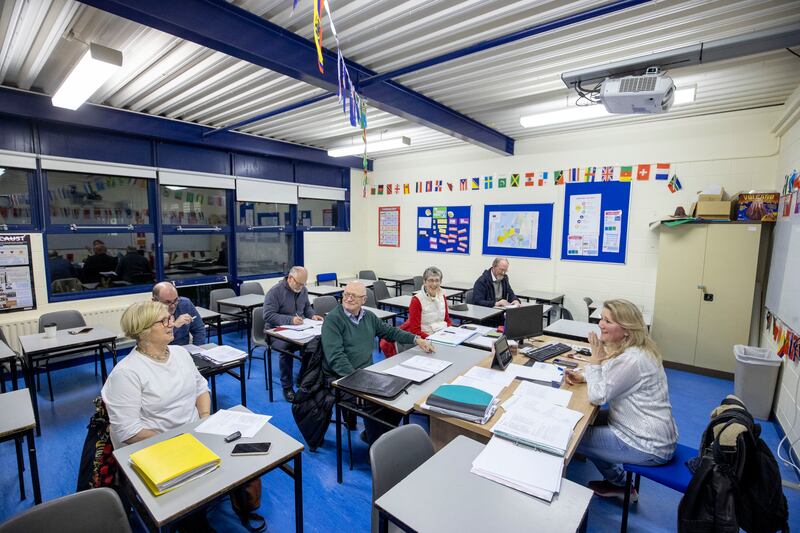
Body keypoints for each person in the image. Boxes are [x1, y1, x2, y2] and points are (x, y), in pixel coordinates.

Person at [101, 301, 265, 532]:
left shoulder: (180, 353)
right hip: (154, 445)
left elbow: (201, 388)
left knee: (243, 457)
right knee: (191, 507)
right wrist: (180, 440)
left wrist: (205, 418)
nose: (172, 323)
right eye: (164, 320)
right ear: (144, 330)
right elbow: (128, 431)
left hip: (192, 434)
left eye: (170, 318)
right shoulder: (127, 373)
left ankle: (234, 501)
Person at [565, 299, 678, 499]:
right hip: (643, 428)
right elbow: (612, 375)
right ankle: (617, 482)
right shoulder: (635, 349)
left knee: (573, 436)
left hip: (646, 443)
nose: (600, 324)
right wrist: (585, 376)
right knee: (581, 419)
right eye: (601, 318)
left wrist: (595, 361)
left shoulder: (633, 359)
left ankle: (621, 485)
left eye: (607, 321)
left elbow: (598, 396)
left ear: (626, 329)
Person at [322, 281, 434, 445]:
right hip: (341, 378)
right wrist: (357, 383)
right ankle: (376, 447)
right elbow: (336, 358)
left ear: (364, 300)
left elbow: (390, 331)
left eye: (354, 296)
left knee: (400, 396)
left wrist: (416, 339)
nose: (349, 299)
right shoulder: (333, 320)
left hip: (366, 373)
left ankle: (375, 436)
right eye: (346, 294)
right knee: (377, 402)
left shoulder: (368, 317)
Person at [262, 266, 323, 402]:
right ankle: (287, 387)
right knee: (286, 348)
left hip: (299, 330)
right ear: (290, 278)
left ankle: (303, 378)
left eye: (304, 284)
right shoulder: (275, 292)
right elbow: (268, 315)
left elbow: (307, 307)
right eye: (299, 283)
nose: (301, 287)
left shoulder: (303, 290)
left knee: (314, 344)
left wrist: (312, 316)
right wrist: (290, 320)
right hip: (275, 332)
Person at [380, 266, 452, 357]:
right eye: (430, 280)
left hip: (442, 337)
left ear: (440, 282)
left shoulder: (442, 297)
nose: (434, 284)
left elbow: (447, 320)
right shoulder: (416, 300)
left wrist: (451, 333)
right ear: (424, 282)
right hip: (426, 340)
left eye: (437, 280)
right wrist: (434, 339)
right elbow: (415, 331)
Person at [152, 281, 206, 346]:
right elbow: (154, 342)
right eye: (167, 302)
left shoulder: (185, 304)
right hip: (160, 351)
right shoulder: (148, 314)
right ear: (155, 301)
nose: (173, 306)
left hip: (183, 349)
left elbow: (199, 329)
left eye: (175, 300)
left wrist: (197, 350)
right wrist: (175, 325)